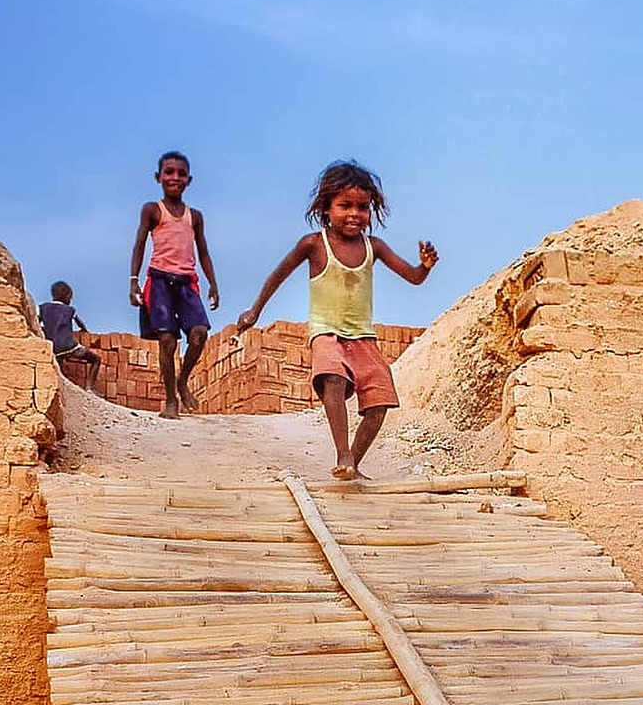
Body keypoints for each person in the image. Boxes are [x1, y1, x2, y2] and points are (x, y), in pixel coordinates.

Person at [238, 161, 437, 480]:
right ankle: (342, 452)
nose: (354, 214)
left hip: (363, 337)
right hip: (326, 332)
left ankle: (352, 463)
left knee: (380, 400)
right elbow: (278, 275)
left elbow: (412, 277)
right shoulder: (314, 244)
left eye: (362, 207)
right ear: (326, 207)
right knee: (333, 377)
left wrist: (424, 266)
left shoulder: (375, 247)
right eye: (345, 206)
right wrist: (254, 311)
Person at [129, 150, 219, 418]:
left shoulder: (195, 216)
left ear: (189, 180)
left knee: (199, 333)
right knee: (167, 340)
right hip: (158, 280)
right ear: (159, 177)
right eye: (169, 172)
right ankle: (171, 400)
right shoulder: (152, 210)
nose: (175, 177)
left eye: (181, 173)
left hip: (185, 282)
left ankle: (182, 380)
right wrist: (134, 281)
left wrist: (213, 283)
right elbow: (140, 244)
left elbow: (203, 250)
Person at [38, 281, 101, 383]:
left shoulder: (43, 307)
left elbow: (36, 321)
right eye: (70, 297)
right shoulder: (70, 310)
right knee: (96, 359)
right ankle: (90, 388)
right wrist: (84, 330)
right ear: (67, 296)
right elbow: (80, 323)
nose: (70, 300)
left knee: (59, 365)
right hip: (68, 346)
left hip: (52, 347)